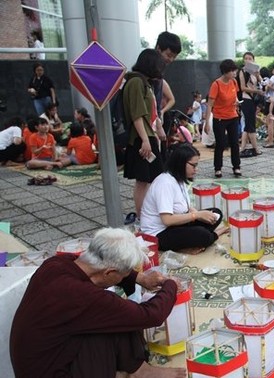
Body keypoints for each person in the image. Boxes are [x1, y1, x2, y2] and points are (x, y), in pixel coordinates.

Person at [10, 227, 186, 378]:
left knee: (118, 315)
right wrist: (170, 286)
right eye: (123, 274)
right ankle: (141, 371)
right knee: (124, 314)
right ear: (109, 273)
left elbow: (104, 266)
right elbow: (151, 315)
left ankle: (139, 370)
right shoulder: (81, 295)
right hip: (49, 371)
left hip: (46, 354)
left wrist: (141, 278)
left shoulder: (56, 263)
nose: (125, 276)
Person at [141, 144, 228, 253]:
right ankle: (213, 236)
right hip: (159, 234)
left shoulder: (179, 178)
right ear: (181, 164)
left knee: (215, 214)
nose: (196, 169)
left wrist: (200, 215)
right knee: (203, 235)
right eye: (193, 165)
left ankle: (198, 239)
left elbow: (184, 207)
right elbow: (167, 220)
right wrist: (196, 215)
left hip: (175, 225)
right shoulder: (165, 183)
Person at [122, 49, 167, 218]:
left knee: (150, 178)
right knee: (143, 180)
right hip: (142, 138)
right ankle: (142, 216)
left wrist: (158, 127)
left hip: (148, 135)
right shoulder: (136, 82)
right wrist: (145, 140)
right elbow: (137, 114)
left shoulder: (143, 82)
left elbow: (149, 113)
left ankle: (146, 214)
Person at [206, 59, 242, 178]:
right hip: (219, 117)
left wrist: (237, 102)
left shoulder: (234, 82)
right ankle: (218, 168)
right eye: (232, 71)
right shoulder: (216, 84)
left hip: (233, 116)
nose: (234, 73)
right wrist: (207, 122)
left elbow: (235, 96)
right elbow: (210, 104)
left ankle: (236, 166)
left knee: (234, 143)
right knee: (220, 143)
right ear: (225, 72)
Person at [238, 52, 264, 155]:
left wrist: (258, 75)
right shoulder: (242, 71)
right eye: (246, 58)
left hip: (253, 100)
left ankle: (243, 148)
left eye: (250, 58)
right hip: (247, 99)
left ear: (253, 60)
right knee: (250, 125)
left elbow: (262, 83)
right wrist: (256, 91)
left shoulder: (255, 72)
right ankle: (256, 149)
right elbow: (243, 88)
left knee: (248, 126)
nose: (248, 60)